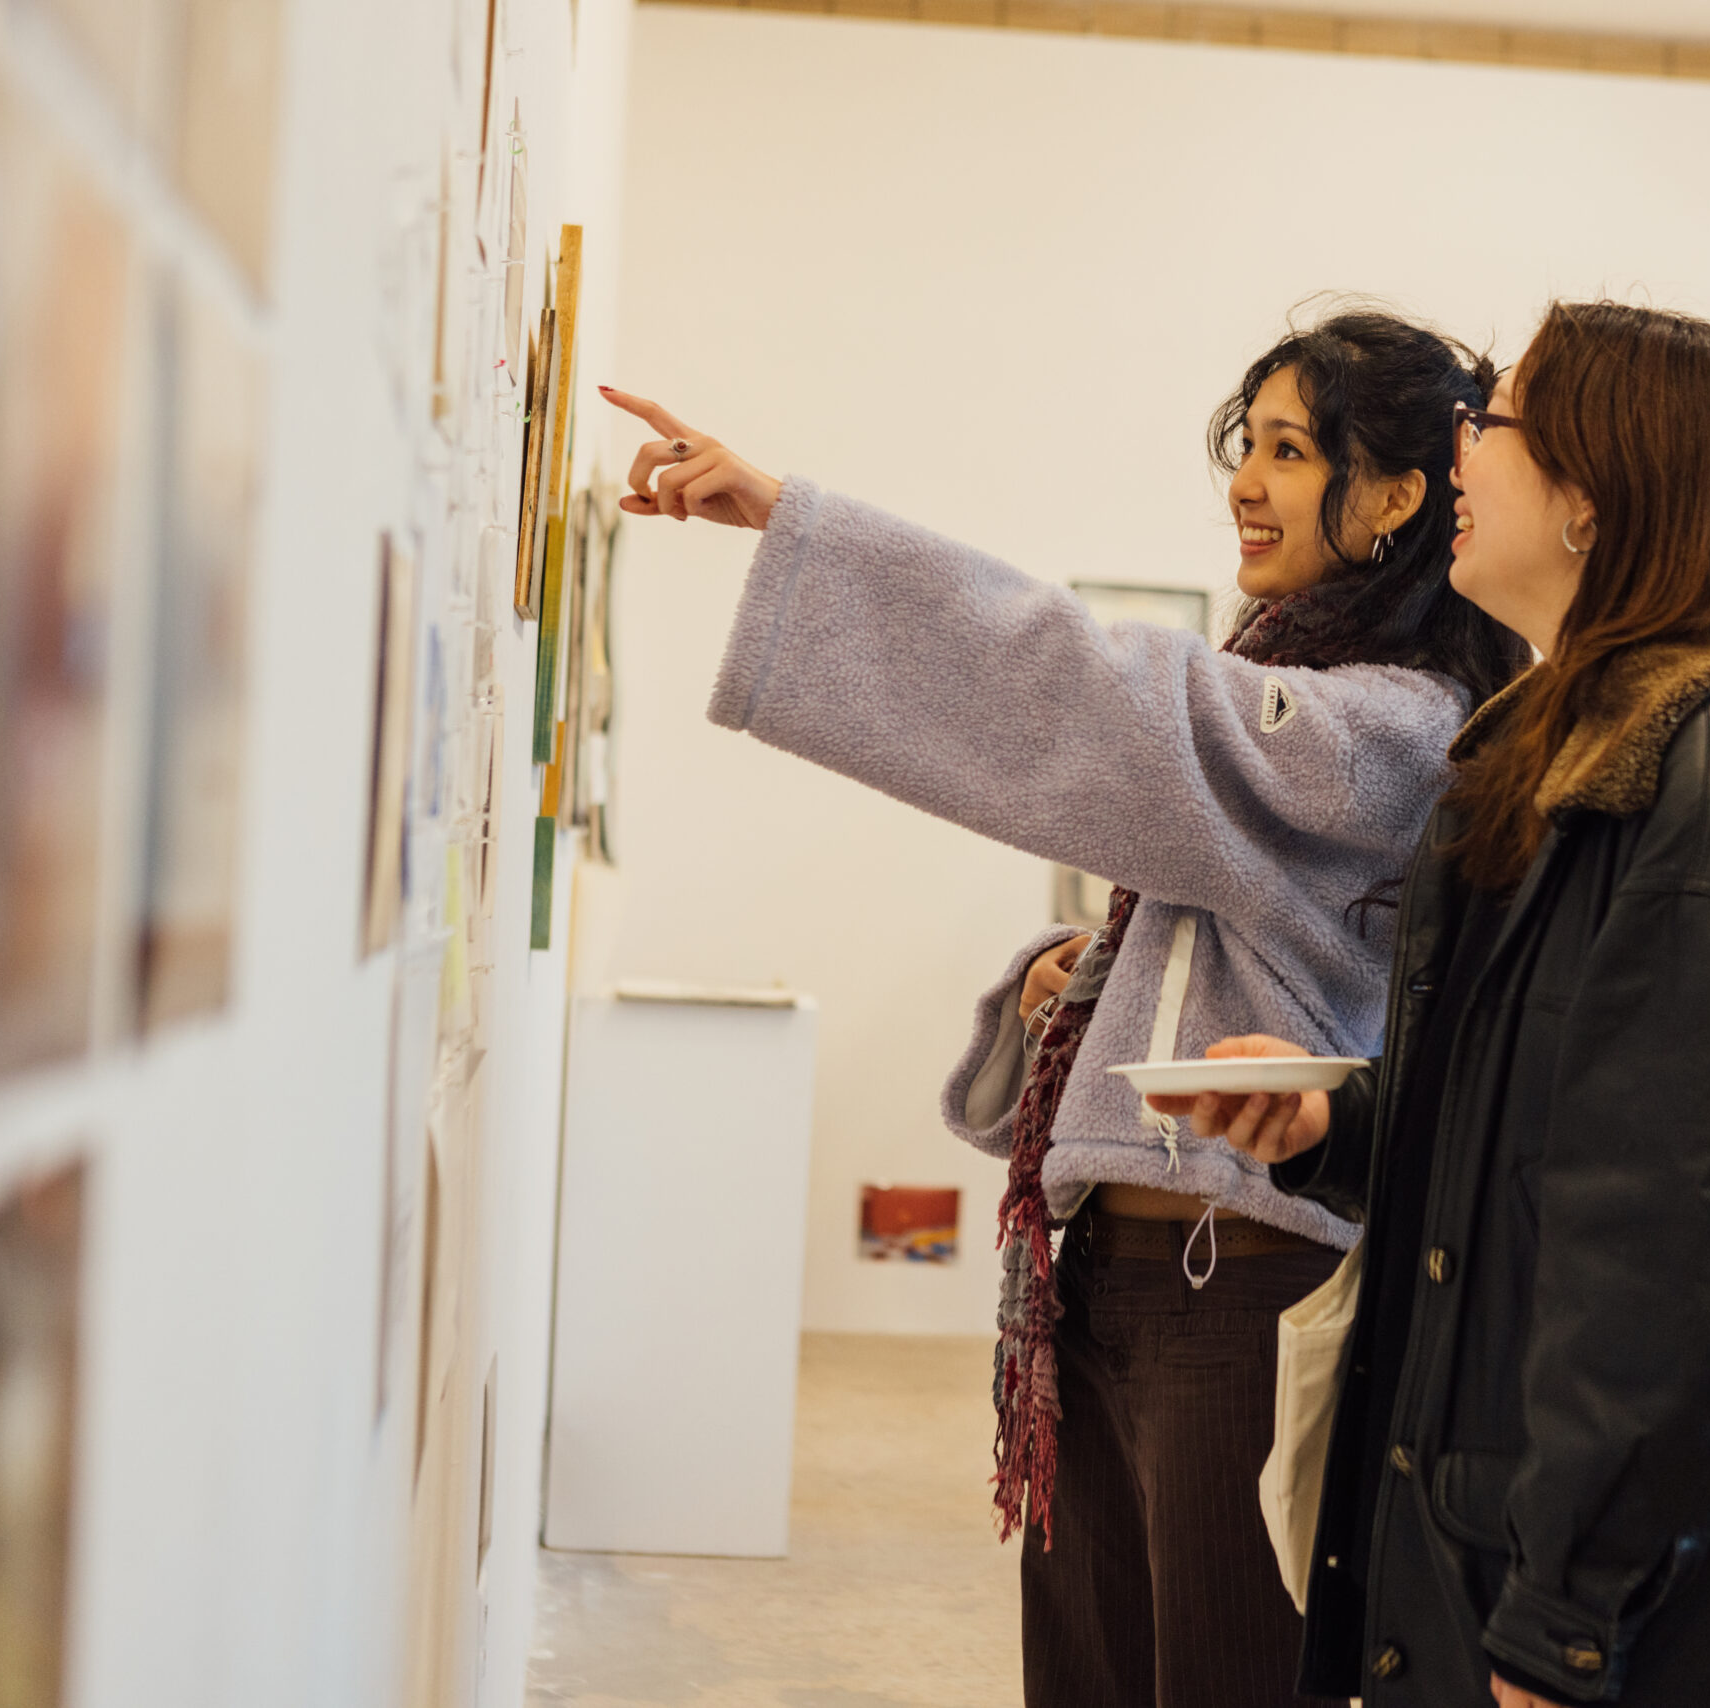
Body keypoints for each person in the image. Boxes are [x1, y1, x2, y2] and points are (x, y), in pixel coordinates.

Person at [601, 309, 1528, 1708]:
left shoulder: (1390, 727)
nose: (1245, 481)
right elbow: (1203, 882)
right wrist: (1078, 976)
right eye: (1247, 445)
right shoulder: (1302, 697)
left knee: (1221, 1674)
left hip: (1243, 1285)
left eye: (1290, 451)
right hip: (1115, 1276)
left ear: (1398, 496)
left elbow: (1094, 691)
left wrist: (797, 521)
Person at [1155, 301, 1710, 1708]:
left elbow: (1699, 1242)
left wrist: (1567, 1618)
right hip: (1519, 1545)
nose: (1460, 453)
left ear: (1593, 500)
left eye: (1494, 423)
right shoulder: (1568, 744)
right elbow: (1549, 1134)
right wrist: (1335, 1126)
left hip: (1643, 1615)